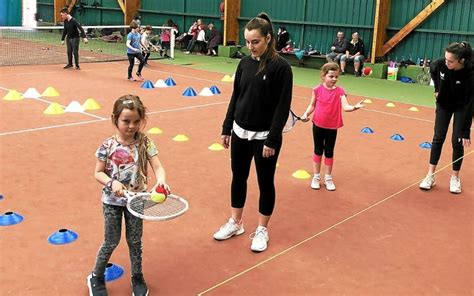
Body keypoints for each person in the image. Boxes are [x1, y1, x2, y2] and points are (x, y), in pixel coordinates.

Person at [214, 12, 293, 252]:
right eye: (247, 42)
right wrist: (227, 127)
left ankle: (261, 229)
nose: (251, 46)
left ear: (268, 38)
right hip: (239, 132)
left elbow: (282, 107)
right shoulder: (244, 63)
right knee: (238, 177)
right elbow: (236, 96)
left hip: (265, 138)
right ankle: (235, 222)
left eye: (255, 41)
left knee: (265, 182)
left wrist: (272, 138)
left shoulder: (282, 68)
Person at [87, 94, 170, 296]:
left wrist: (161, 181)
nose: (131, 126)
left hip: (137, 201)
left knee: (135, 242)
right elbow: (97, 173)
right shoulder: (107, 145)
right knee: (111, 241)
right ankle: (96, 276)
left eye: (136, 121)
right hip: (112, 202)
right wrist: (112, 182)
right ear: (115, 118)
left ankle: (137, 277)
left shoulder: (145, 142)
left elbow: (158, 167)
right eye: (126, 121)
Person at [419, 41, 473, 194]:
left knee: (457, 140)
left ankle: (455, 178)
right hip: (444, 104)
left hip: (462, 106)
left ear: (461, 61)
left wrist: (465, 131)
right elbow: (433, 70)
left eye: (450, 61)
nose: (446, 62)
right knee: (438, 138)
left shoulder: (470, 74)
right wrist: (437, 88)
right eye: (446, 59)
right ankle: (430, 175)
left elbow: (470, 103)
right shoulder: (440, 64)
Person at [300, 62, 364, 190]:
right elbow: (312, 105)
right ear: (323, 76)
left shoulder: (340, 91)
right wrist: (305, 114)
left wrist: (354, 107)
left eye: (336, 77)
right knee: (318, 150)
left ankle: (328, 178)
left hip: (332, 127)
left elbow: (345, 107)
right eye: (331, 76)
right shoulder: (317, 89)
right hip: (318, 124)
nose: (334, 79)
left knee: (329, 152)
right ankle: (316, 177)